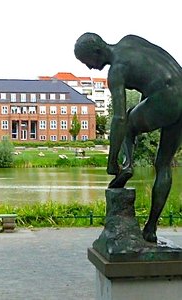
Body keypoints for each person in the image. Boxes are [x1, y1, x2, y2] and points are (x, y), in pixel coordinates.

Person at [74, 33, 182, 243]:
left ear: (97, 52)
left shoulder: (117, 71)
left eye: (87, 62)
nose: (89, 68)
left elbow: (119, 118)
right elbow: (157, 67)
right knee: (163, 164)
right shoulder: (130, 40)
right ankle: (150, 229)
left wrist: (111, 159)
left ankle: (126, 164)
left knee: (128, 126)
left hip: (167, 98)